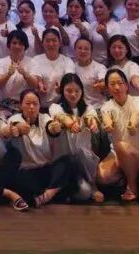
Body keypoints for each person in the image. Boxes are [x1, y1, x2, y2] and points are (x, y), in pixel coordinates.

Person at [97, 68, 139, 202]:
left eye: (120, 83)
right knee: (102, 177)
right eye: (112, 84)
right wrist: (108, 124)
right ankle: (127, 174)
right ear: (108, 88)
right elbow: (106, 117)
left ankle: (132, 186)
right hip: (118, 155)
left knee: (121, 146)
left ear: (127, 85)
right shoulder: (106, 106)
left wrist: (132, 124)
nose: (117, 87)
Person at [9, 89, 71, 207]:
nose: (31, 107)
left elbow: (50, 126)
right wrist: (20, 129)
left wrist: (54, 128)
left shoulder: (44, 117)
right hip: (27, 172)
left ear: (39, 106)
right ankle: (54, 193)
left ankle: (46, 196)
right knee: (18, 180)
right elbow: (16, 127)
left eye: (35, 104)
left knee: (67, 161)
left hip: (46, 169)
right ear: (20, 105)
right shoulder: (14, 119)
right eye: (28, 104)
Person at [48, 74, 103, 202]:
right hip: (64, 161)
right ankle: (65, 190)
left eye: (77, 91)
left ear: (82, 91)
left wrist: (92, 124)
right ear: (62, 91)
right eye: (69, 91)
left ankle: (91, 185)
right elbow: (59, 116)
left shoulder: (88, 108)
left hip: (83, 163)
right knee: (83, 192)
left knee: (85, 192)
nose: (73, 94)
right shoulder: (55, 107)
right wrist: (70, 124)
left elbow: (91, 118)